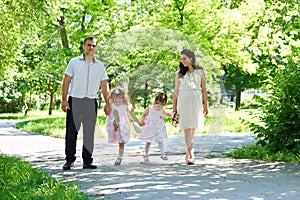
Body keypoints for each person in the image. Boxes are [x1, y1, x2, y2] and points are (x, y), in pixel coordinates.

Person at [61, 36, 109, 170]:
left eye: (93, 45)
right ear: (83, 46)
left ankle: (87, 161)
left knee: (89, 132)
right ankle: (69, 160)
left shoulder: (100, 65)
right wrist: (64, 100)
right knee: (72, 132)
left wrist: (108, 103)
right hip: (75, 100)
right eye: (88, 45)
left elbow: (104, 85)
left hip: (91, 101)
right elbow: (66, 81)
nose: (91, 48)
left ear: (96, 47)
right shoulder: (74, 62)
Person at [172, 49, 208, 165]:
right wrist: (174, 109)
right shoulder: (179, 73)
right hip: (184, 101)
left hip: (196, 101)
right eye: (181, 59)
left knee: (193, 129)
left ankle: (188, 153)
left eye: (184, 58)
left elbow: (204, 89)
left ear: (191, 58)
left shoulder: (200, 72)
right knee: (187, 128)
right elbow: (176, 91)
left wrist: (206, 105)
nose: (182, 61)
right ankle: (192, 154)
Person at [106, 87, 139, 166]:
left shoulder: (125, 106)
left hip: (123, 125)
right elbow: (107, 114)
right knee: (114, 120)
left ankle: (120, 157)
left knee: (121, 142)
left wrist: (137, 122)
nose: (117, 102)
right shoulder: (112, 105)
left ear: (123, 99)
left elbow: (131, 115)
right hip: (113, 122)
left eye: (119, 101)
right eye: (115, 101)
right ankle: (115, 123)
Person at [137, 92, 172, 164]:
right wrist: (143, 121)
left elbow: (166, 115)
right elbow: (143, 115)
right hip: (150, 127)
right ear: (154, 103)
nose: (159, 107)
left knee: (160, 140)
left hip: (158, 127)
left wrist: (171, 114)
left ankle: (162, 153)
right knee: (148, 141)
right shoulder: (150, 108)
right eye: (157, 105)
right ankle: (146, 155)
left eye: (161, 106)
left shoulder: (162, 110)